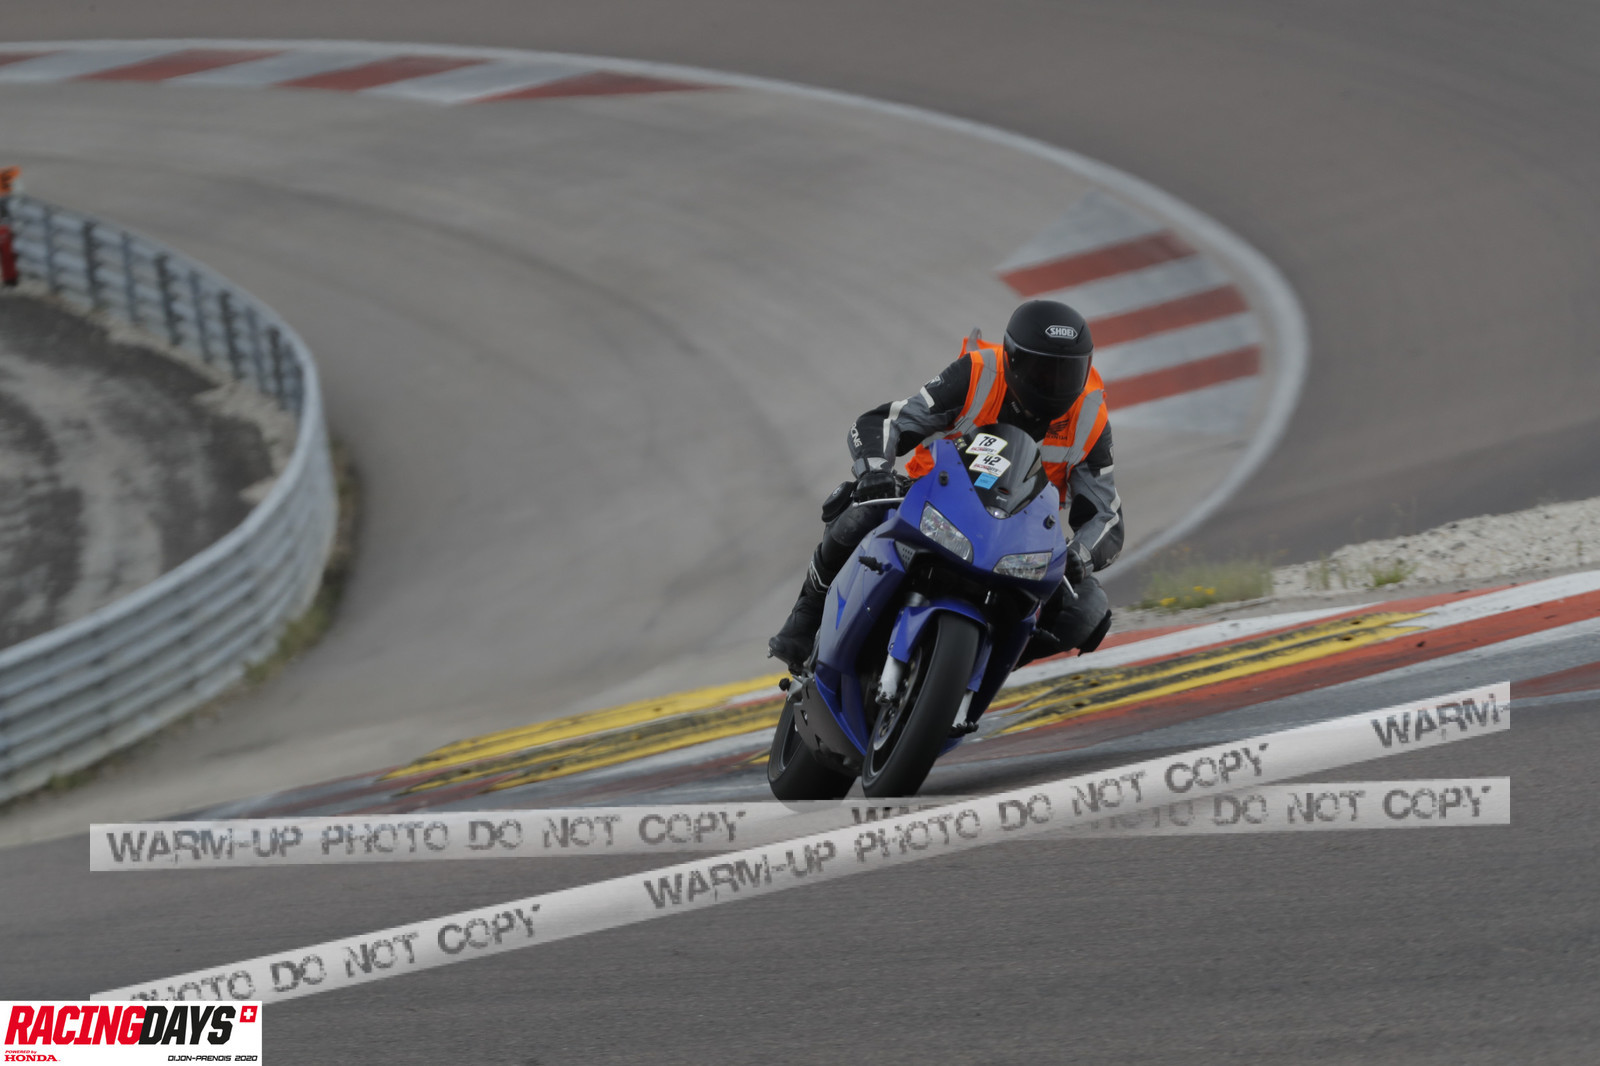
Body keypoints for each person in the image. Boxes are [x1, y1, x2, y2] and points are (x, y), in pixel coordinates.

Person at [767, 298, 1123, 674]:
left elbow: (1107, 515)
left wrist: (1079, 556)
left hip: (1019, 537)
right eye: (1042, 372)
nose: (1054, 385)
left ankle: (982, 668)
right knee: (859, 509)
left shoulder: (1090, 416)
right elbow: (887, 421)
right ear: (1013, 359)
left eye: (1068, 374)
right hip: (931, 498)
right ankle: (805, 615)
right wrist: (875, 472)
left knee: (1088, 612)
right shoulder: (980, 373)